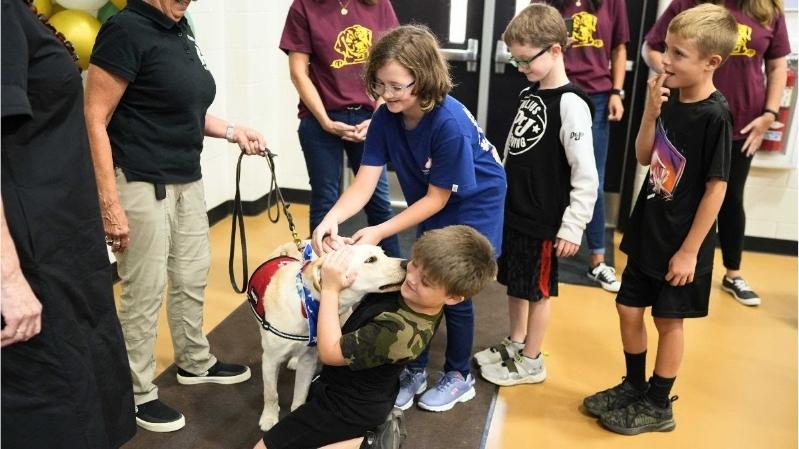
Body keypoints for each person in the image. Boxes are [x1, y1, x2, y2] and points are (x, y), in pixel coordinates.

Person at [84, 0, 267, 432]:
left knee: (191, 275)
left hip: (186, 176)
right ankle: (135, 392)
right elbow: (94, 117)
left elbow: (184, 106)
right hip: (141, 180)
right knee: (143, 292)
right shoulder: (125, 30)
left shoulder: (180, 28)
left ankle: (194, 361)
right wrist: (109, 203)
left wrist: (232, 130)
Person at [311, 25, 507, 412]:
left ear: (426, 79)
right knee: (416, 278)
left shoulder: (447, 123)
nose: (386, 94)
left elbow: (438, 198)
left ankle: (457, 374)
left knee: (451, 287)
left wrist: (379, 231)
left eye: (397, 86)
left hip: (473, 202)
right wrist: (331, 219)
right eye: (380, 84)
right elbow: (365, 182)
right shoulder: (387, 114)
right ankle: (414, 365)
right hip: (433, 196)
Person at [584, 3, 736, 434]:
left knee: (667, 322)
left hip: (682, 243)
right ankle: (634, 385)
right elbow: (642, 156)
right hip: (649, 229)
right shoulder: (668, 98)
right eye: (666, 49)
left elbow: (716, 188)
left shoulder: (714, 115)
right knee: (627, 308)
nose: (666, 60)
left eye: (678, 54)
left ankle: (658, 402)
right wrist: (651, 111)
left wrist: (689, 253)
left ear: (711, 63)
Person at [1, 0, 136, 447]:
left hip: (63, 242)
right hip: (30, 253)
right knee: (53, 404)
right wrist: (8, 278)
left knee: (88, 387)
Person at [254, 225, 497, 449]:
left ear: (452, 298)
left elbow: (328, 352)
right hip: (351, 389)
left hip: (347, 408)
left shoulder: (400, 332)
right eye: (413, 263)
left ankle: (368, 441)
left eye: (425, 281)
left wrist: (329, 288)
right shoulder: (413, 294)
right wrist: (345, 253)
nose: (409, 276)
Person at [473, 3, 598, 386]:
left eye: (526, 60)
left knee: (539, 293)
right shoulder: (531, 93)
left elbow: (586, 173)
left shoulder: (572, 105)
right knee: (516, 283)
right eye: (516, 60)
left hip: (546, 221)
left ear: (555, 50)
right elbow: (514, 150)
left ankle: (532, 359)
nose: (521, 68)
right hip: (516, 213)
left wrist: (573, 226)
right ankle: (516, 342)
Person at [642, 0, 791, 306]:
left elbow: (777, 65)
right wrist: (671, 73)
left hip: (741, 124)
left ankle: (733, 273)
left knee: (729, 196)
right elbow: (652, 47)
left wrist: (768, 114)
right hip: (689, 118)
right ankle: (663, 263)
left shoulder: (768, 10)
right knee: (670, 190)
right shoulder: (689, 4)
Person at [279, 0, 402, 257]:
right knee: (325, 199)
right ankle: (320, 275)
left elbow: (395, 64)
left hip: (370, 116)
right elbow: (298, 72)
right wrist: (324, 120)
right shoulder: (304, 7)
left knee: (379, 203)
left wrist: (379, 115)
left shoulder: (379, 6)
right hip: (320, 117)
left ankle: (394, 274)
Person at [541, 0, 630, 293]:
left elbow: (619, 48)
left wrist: (617, 91)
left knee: (593, 176)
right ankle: (543, 250)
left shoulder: (612, 3)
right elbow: (534, 39)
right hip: (555, 91)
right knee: (549, 172)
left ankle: (597, 260)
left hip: (597, 97)